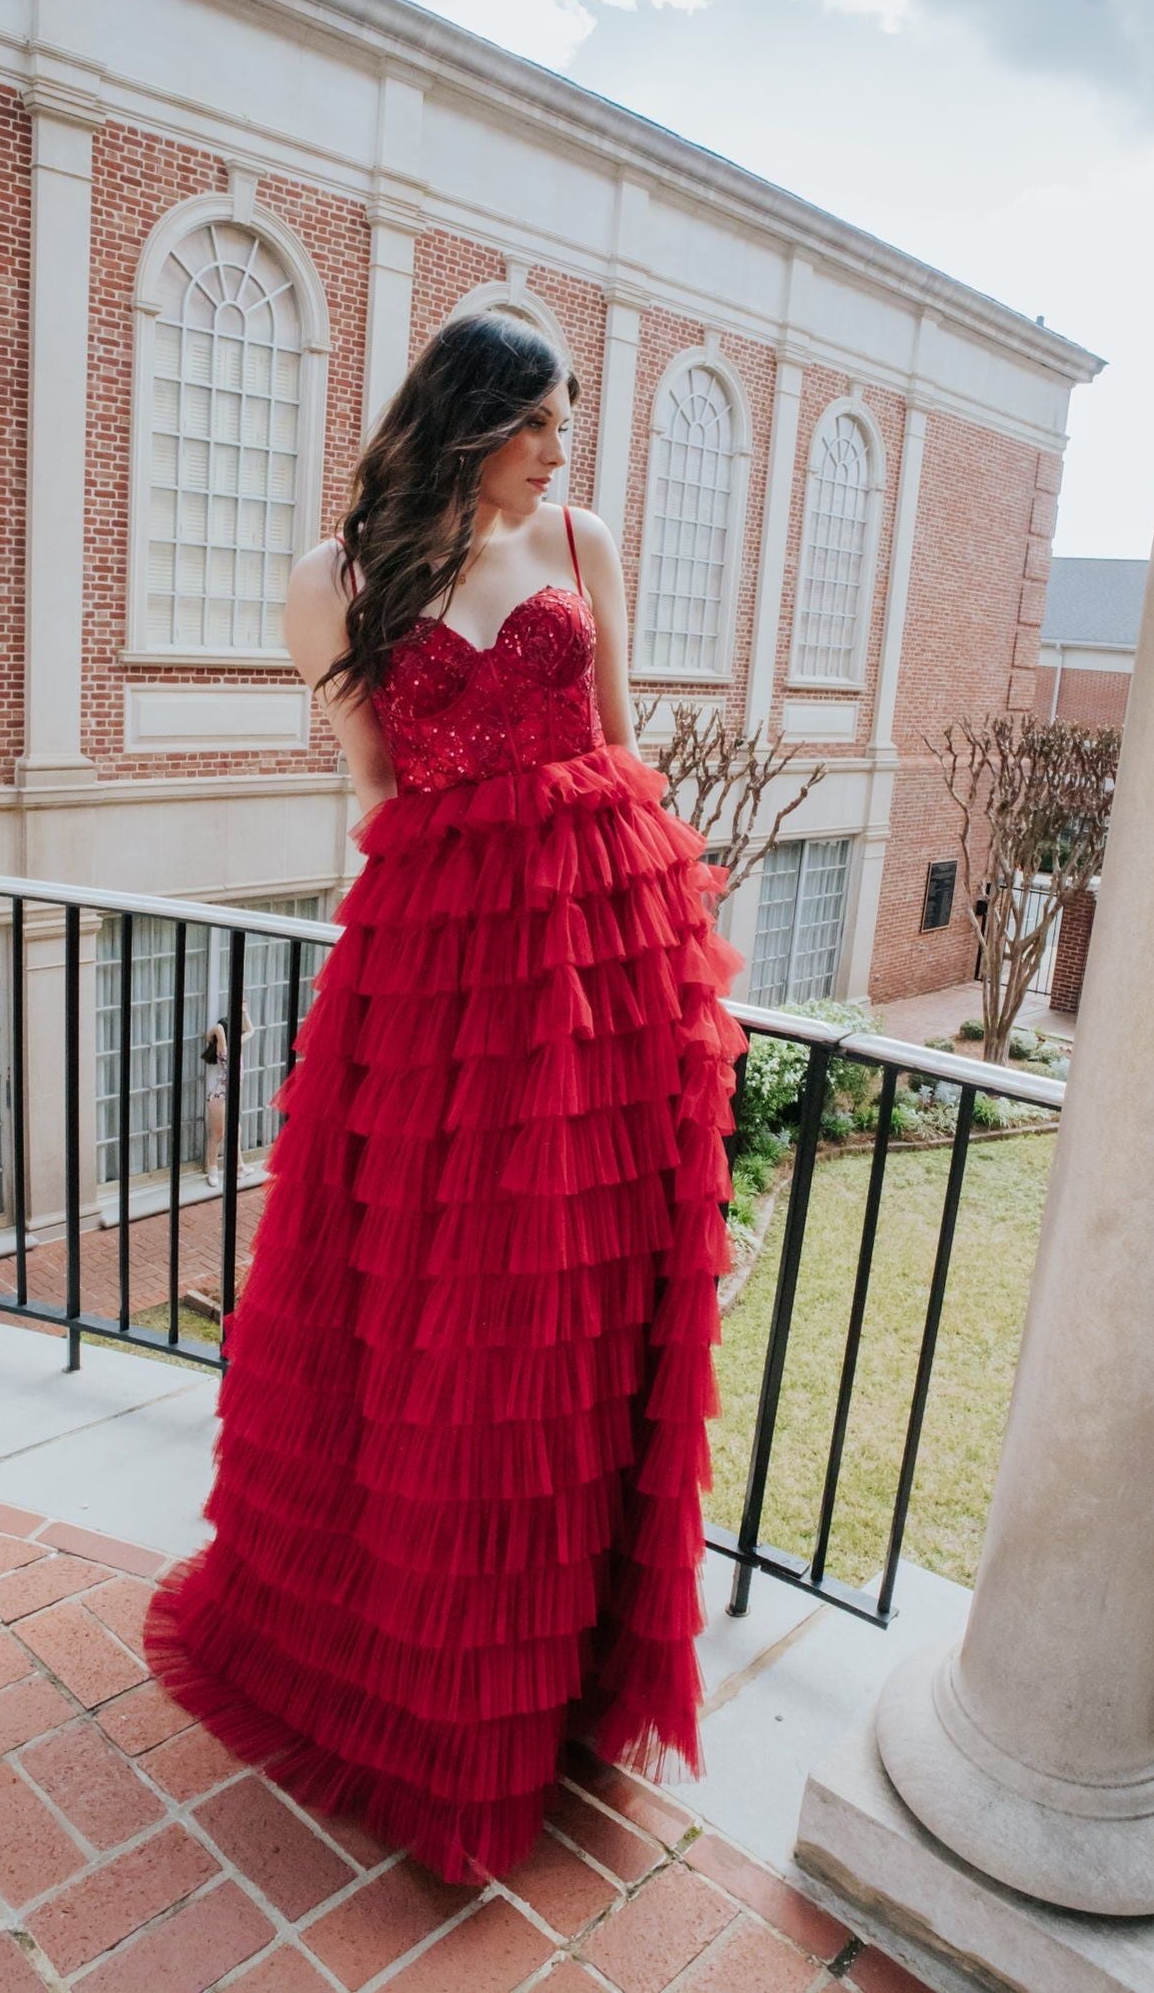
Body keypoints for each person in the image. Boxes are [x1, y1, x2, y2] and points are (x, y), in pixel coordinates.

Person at [141, 311, 750, 1885]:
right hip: (442, 983)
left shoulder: (578, 537)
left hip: (602, 971)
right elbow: (369, 783)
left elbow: (621, 747)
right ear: (469, 419)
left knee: (572, 1321)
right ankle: (420, 1684)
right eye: (541, 422)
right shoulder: (333, 580)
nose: (562, 451)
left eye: (566, 426)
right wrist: (437, 944)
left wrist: (676, 981)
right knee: (442, 1312)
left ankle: (550, 1696)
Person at [201, 1004, 255, 1186]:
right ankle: (212, 1169)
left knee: (236, 1132)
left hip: (228, 1099)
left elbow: (251, 1031)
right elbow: (217, 1028)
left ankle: (239, 1167)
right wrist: (212, 1034)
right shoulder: (223, 1051)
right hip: (219, 1099)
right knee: (218, 1133)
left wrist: (244, 1012)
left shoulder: (236, 1045)